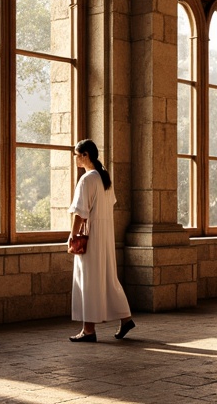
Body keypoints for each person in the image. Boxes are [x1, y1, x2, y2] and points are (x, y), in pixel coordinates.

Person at [67, 139, 134, 342]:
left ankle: (88, 331)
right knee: (108, 278)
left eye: (77, 155)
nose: (75, 159)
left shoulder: (87, 180)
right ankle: (126, 319)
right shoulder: (104, 178)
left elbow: (80, 212)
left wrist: (72, 234)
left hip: (91, 235)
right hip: (105, 234)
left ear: (85, 155)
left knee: (88, 279)